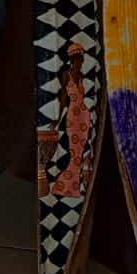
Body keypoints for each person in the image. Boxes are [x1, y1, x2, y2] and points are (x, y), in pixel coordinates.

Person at [48, 41, 94, 196]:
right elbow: (63, 98)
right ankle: (65, 185)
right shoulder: (66, 75)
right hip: (73, 116)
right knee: (74, 151)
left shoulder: (81, 77)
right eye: (77, 59)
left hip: (84, 115)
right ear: (73, 60)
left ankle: (75, 186)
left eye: (81, 59)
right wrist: (58, 117)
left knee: (81, 151)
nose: (80, 62)